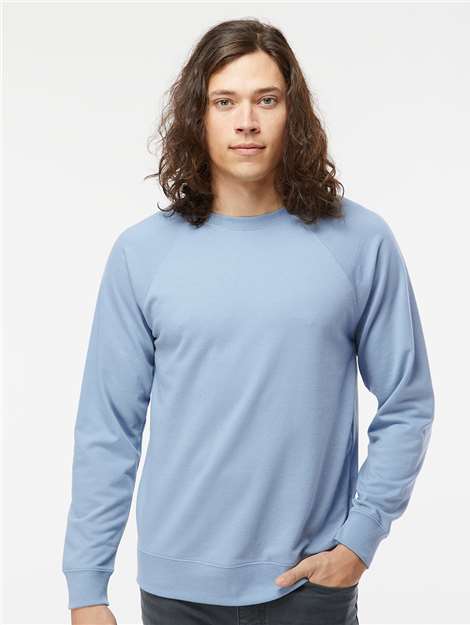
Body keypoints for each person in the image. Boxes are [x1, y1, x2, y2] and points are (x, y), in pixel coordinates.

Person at [62, 18, 435, 625]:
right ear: (197, 115)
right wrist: (87, 588)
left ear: (294, 112)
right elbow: (108, 429)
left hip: (310, 585)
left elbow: (407, 402)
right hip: (177, 591)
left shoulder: (359, 241)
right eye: (224, 101)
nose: (246, 122)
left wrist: (359, 541)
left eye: (266, 100)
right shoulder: (142, 254)